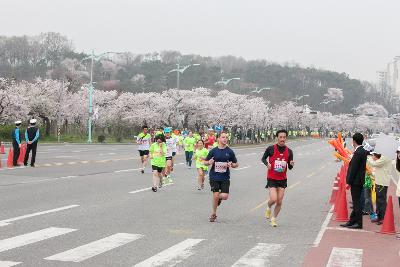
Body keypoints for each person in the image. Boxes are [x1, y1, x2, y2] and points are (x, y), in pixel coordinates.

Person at [261, 129, 294, 227]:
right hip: (272, 178)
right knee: (274, 199)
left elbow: (290, 167)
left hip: (282, 179)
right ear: (277, 138)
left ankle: (274, 219)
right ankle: (268, 207)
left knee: (279, 201)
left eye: (284, 137)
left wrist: (291, 164)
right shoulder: (271, 148)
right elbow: (263, 158)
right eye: (281, 137)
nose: (282, 139)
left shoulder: (289, 151)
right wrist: (267, 164)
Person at [204, 132, 238, 222]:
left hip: (225, 177)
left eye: (226, 137)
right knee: (215, 195)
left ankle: (218, 198)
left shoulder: (229, 151)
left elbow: (236, 164)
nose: (225, 139)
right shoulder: (213, 151)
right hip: (214, 176)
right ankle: (214, 213)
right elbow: (205, 162)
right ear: (219, 139)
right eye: (223, 137)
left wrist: (232, 164)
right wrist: (209, 162)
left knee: (225, 196)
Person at [340, 132, 369, 229]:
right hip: (359, 180)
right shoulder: (362, 151)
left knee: (356, 202)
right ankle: (352, 220)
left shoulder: (358, 152)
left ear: (354, 141)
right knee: (356, 201)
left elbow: (353, 169)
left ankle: (359, 223)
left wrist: (348, 181)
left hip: (356, 181)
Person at [367, 150, 391, 225]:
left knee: (382, 201)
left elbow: (375, 163)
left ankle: (383, 218)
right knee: (378, 200)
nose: (373, 156)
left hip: (382, 182)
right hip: (379, 181)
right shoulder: (382, 157)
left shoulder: (385, 157)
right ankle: (379, 216)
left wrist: (369, 158)